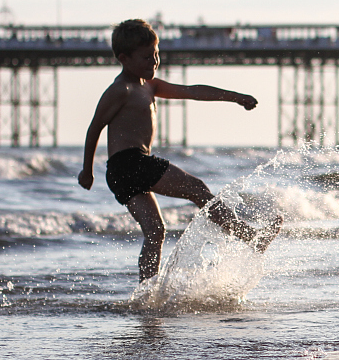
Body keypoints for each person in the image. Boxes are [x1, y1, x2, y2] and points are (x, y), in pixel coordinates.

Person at [78, 18, 282, 281]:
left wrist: (235, 97)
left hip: (121, 173)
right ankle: (249, 236)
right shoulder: (120, 90)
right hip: (130, 163)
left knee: (155, 231)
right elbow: (95, 128)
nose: (154, 61)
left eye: (156, 54)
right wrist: (87, 170)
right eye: (146, 57)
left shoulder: (149, 86)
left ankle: (147, 292)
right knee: (197, 189)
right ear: (124, 58)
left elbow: (193, 92)